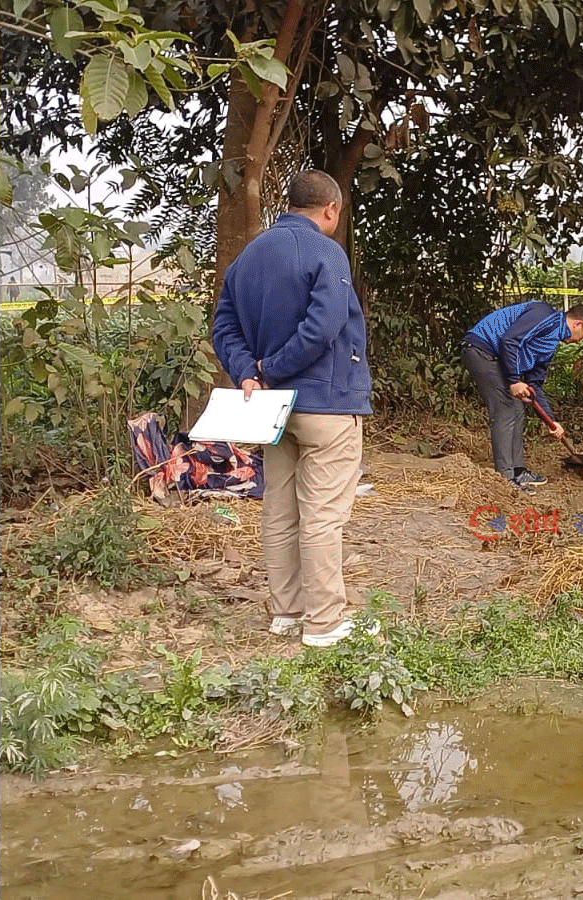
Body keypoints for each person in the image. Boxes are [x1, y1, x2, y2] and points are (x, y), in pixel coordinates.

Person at [211, 170, 376, 648]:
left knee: (281, 510)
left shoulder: (248, 256)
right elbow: (324, 326)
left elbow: (223, 326)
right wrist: (274, 367)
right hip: (325, 405)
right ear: (331, 210)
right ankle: (324, 624)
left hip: (272, 408)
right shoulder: (327, 252)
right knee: (323, 515)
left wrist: (250, 373)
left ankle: (287, 613)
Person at [461, 299, 583, 492]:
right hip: (481, 350)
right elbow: (509, 340)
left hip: (496, 358)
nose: (578, 342)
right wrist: (514, 380)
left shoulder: (549, 346)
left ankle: (517, 471)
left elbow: (535, 385)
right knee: (506, 410)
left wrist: (552, 421)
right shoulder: (543, 314)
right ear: (577, 324)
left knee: (517, 410)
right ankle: (505, 478)